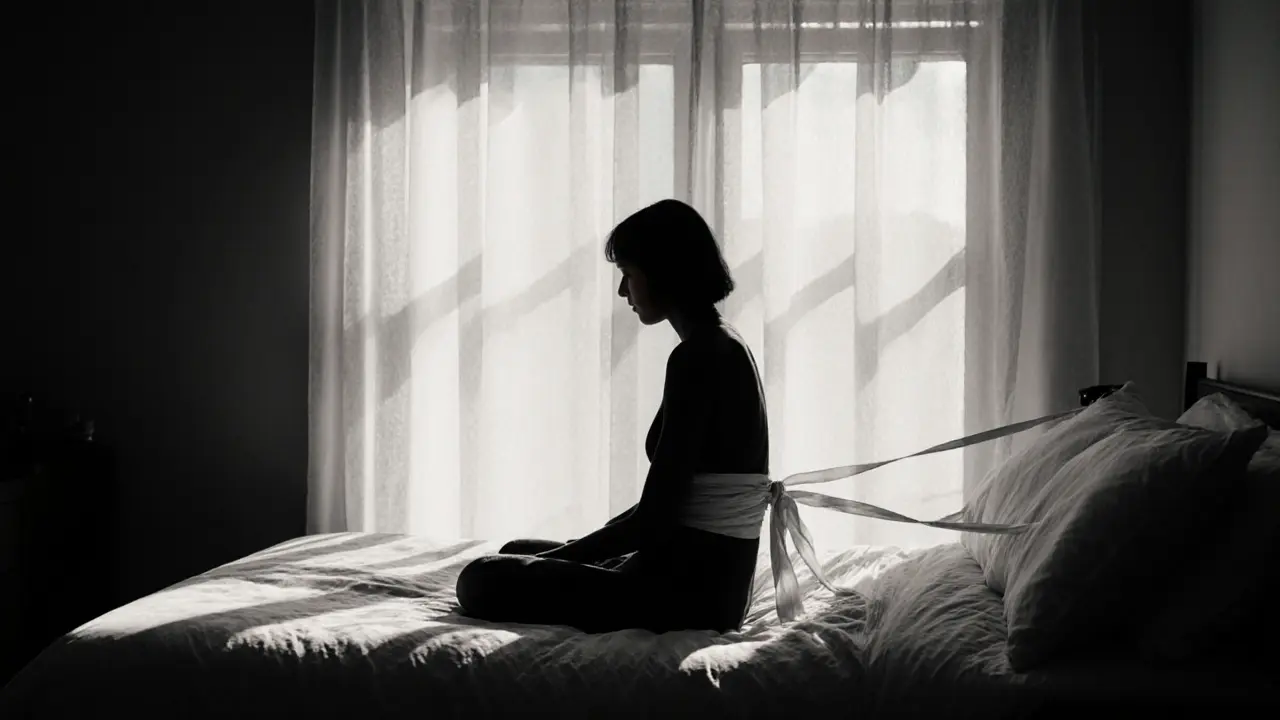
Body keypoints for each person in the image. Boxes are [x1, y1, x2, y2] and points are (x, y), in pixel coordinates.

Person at [455, 199, 769, 634]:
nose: (623, 292)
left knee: (481, 578)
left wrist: (548, 562)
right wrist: (574, 553)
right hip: (704, 579)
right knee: (512, 550)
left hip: (691, 595)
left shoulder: (698, 358)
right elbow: (670, 503)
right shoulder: (724, 345)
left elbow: (654, 522)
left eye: (628, 274)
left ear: (663, 272)